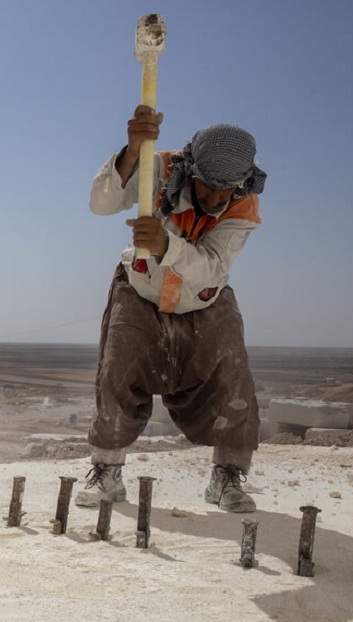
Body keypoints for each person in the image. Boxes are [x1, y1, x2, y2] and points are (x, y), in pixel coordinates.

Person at [75, 105, 267, 513]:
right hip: (141, 289)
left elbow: (214, 267)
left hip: (204, 297)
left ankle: (227, 478)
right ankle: (107, 474)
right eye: (207, 186)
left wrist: (167, 245)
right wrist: (131, 152)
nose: (216, 199)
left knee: (232, 381)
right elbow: (101, 203)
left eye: (225, 190)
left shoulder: (243, 205)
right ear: (191, 169)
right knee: (117, 374)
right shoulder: (159, 169)